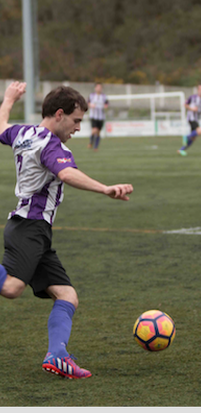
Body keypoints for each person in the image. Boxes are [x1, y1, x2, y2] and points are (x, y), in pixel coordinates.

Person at [0, 82, 134, 378]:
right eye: (76, 121)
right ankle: (57, 354)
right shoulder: (51, 145)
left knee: (67, 295)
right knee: (11, 288)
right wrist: (105, 188)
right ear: (59, 114)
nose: (78, 128)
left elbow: (1, 126)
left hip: (34, 231)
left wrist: (8, 99)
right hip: (30, 228)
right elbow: (66, 173)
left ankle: (57, 355)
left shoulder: (23, 133)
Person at [179, 84, 201, 156]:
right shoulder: (192, 97)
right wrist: (192, 109)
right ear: (198, 90)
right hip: (191, 118)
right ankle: (187, 136)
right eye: (200, 89)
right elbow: (185, 104)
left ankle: (181, 149)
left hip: (197, 118)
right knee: (199, 131)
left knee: (193, 138)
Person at [87, 83, 108, 151]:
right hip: (93, 116)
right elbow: (88, 103)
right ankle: (91, 142)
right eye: (98, 87)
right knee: (94, 130)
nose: (99, 89)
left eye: (100, 87)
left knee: (98, 132)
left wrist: (105, 107)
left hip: (101, 117)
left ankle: (96, 147)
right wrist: (91, 105)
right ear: (95, 88)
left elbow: (106, 104)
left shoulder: (104, 96)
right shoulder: (92, 95)